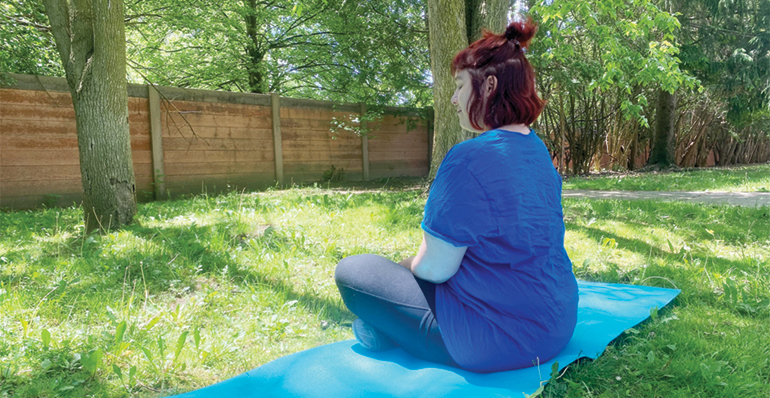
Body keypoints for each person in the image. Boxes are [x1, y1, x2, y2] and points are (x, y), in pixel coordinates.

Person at [334, 18, 578, 373]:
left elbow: (435, 269)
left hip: (497, 342)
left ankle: (389, 332)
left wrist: (403, 267)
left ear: (489, 86)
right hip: (556, 325)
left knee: (355, 270)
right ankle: (389, 330)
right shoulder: (538, 150)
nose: (453, 98)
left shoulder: (469, 158)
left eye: (460, 85)